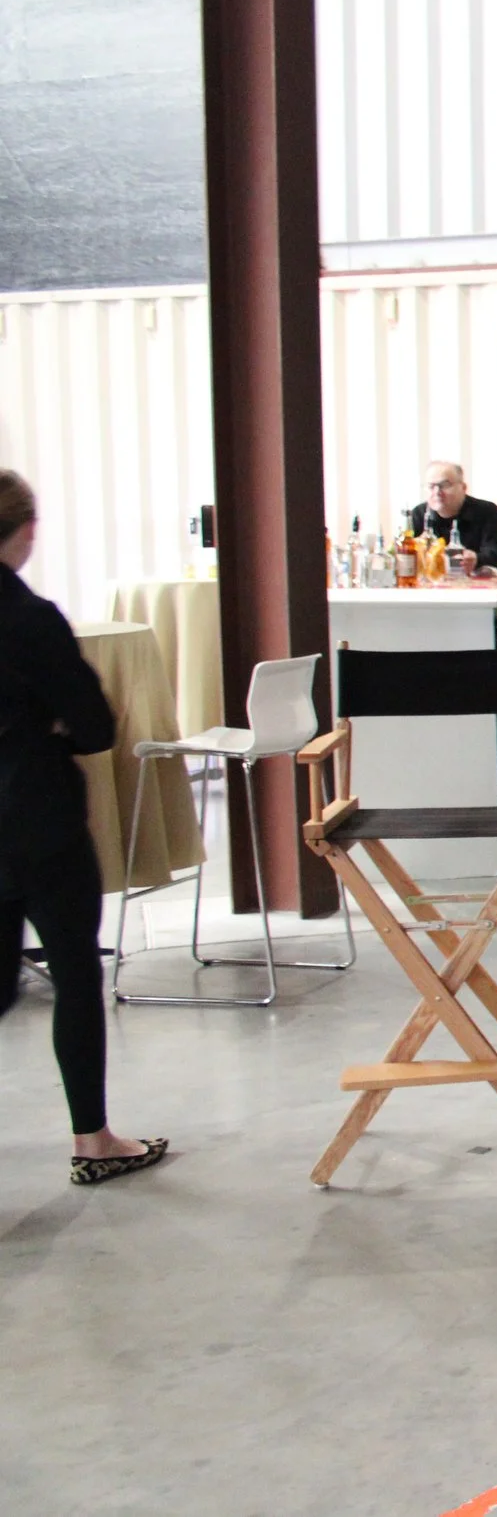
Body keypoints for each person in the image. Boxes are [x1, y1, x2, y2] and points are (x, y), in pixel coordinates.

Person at [0, 470, 169, 1184]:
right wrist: (56, 726)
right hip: (37, 815)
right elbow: (96, 724)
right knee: (73, 969)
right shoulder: (31, 617)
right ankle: (93, 1137)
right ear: (27, 530)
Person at [406, 460, 497, 578]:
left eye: (444, 485)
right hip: (431, 589)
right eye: (431, 486)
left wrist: (476, 559)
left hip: (477, 590)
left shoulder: (487, 511)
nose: (437, 492)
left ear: (463, 487)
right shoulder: (418, 514)